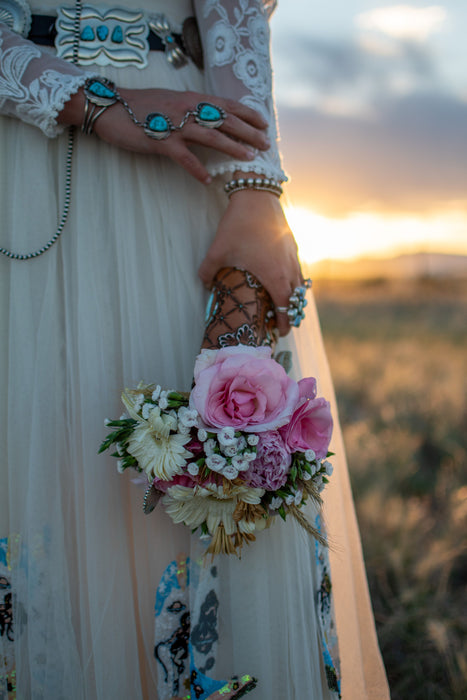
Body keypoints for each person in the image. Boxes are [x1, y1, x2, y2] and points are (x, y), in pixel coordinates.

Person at [0, 0, 390, 698]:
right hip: (19, 146)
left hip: (187, 163)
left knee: (200, 463)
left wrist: (255, 188)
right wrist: (89, 99)